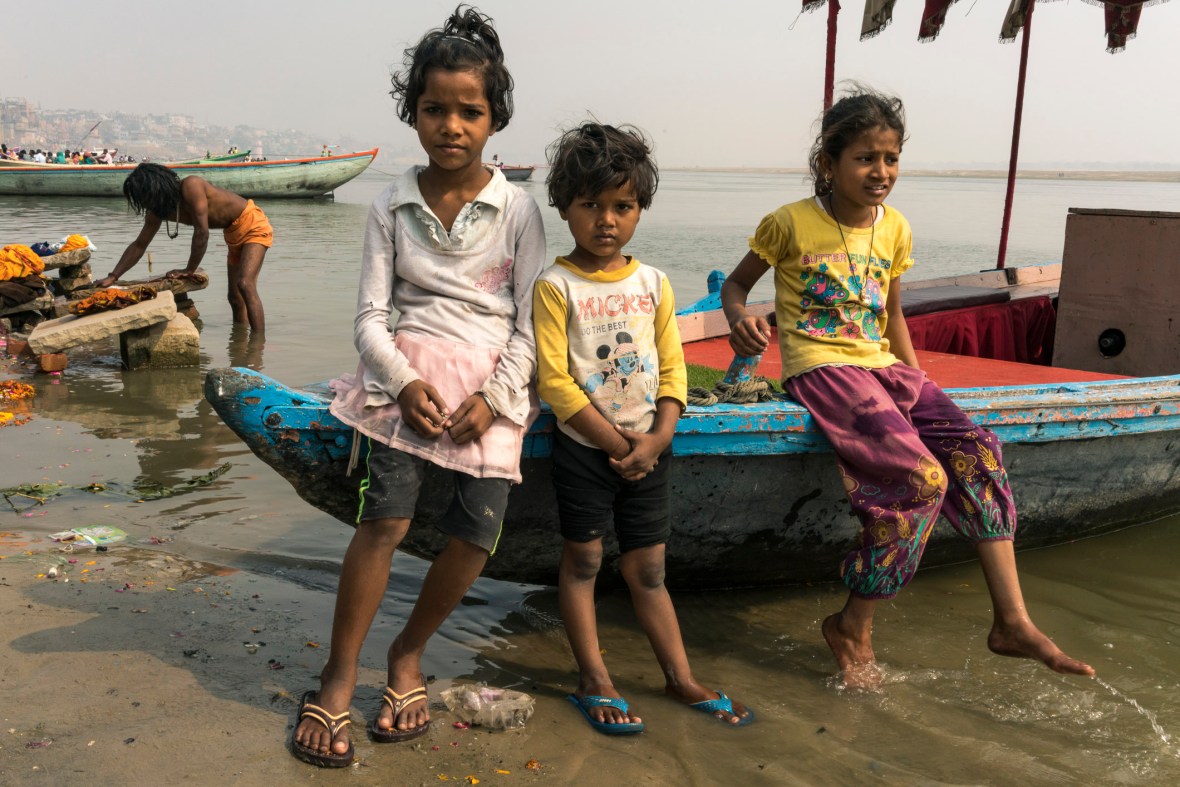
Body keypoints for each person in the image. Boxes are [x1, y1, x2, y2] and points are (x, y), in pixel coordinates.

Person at [720, 86, 1095, 689]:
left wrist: (917, 380)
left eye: (890, 158)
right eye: (866, 158)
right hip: (823, 369)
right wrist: (740, 318)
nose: (881, 172)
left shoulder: (894, 228)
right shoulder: (789, 223)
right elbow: (736, 287)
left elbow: (892, 315)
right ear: (829, 162)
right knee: (922, 480)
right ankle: (852, 624)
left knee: (977, 452)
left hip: (885, 368)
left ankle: (1013, 621)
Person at [288, 5, 545, 768]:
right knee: (385, 525)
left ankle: (407, 654)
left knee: (478, 534)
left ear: (494, 117)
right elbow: (369, 318)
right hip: (406, 380)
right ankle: (338, 678)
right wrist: (400, 382)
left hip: (489, 386)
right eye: (435, 108)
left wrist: (498, 398)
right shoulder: (388, 204)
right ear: (413, 111)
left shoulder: (519, 209)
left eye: (470, 111)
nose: (452, 125)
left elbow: (532, 323)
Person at [533, 122, 754, 734]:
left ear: (639, 209)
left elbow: (673, 369)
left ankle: (679, 677)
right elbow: (555, 383)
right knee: (582, 562)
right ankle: (593, 678)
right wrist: (618, 445)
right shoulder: (555, 287)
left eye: (622, 206)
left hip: (651, 450)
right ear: (565, 207)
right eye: (591, 205)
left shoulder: (653, 282)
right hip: (585, 449)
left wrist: (658, 437)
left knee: (649, 570)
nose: (607, 220)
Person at [94, 163, 272, 332]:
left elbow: (202, 233)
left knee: (245, 284)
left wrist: (189, 270)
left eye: (145, 198)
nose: (146, 205)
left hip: (253, 223)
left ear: (156, 189)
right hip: (232, 234)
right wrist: (113, 276)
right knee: (234, 298)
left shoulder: (191, 186)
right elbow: (139, 245)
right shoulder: (157, 211)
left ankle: (258, 347)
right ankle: (240, 347)